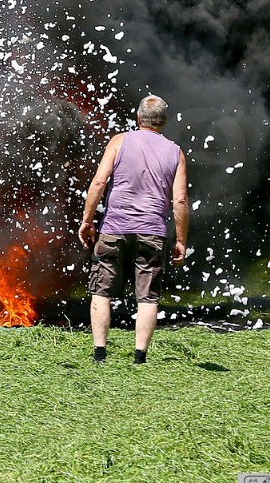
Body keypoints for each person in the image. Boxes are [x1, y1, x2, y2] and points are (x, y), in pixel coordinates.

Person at [78, 95, 189, 364]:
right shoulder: (175, 152)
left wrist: (87, 220)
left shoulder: (119, 141)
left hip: (114, 228)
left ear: (138, 118)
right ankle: (139, 358)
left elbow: (98, 182)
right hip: (152, 232)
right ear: (164, 122)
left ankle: (100, 355)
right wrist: (181, 240)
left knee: (101, 291)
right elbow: (180, 201)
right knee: (147, 297)